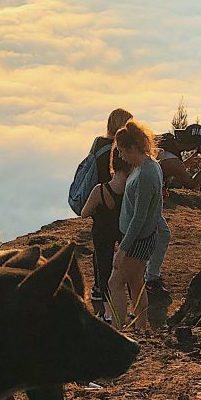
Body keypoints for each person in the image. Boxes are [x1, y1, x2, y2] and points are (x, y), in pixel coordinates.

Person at [108, 119, 164, 333]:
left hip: (136, 240)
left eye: (122, 151)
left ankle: (117, 330)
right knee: (136, 283)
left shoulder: (145, 175)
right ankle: (141, 328)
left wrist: (123, 249)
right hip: (143, 237)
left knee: (115, 284)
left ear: (132, 148)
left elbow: (140, 217)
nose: (120, 156)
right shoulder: (150, 165)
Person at [145, 122, 201, 296]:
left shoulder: (166, 139)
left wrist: (185, 164)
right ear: (191, 145)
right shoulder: (175, 161)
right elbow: (191, 184)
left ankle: (149, 276)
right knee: (161, 234)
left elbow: (166, 166)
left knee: (151, 234)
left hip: (139, 190)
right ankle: (150, 279)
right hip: (148, 198)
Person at [80, 108, 133, 312]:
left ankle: (100, 292)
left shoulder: (98, 145)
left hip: (102, 201)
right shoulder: (123, 148)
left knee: (101, 254)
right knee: (124, 253)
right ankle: (121, 297)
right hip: (121, 207)